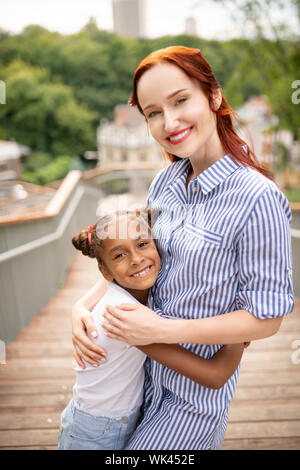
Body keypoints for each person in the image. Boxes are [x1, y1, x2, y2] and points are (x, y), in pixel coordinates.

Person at [71, 46, 294, 450]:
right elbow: (129, 258)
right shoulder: (165, 184)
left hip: (190, 405)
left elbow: (268, 317)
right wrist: (81, 307)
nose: (168, 121)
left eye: (180, 101)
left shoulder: (257, 198)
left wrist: (162, 330)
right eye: (153, 112)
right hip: (134, 386)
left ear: (213, 96)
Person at [59, 209, 247, 450]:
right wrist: (239, 333)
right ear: (105, 272)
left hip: (104, 420)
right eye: (119, 255)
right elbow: (215, 375)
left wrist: (80, 304)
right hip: (95, 433)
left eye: (142, 244)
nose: (136, 259)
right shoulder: (124, 317)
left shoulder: (125, 292)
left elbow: (123, 263)